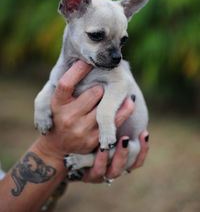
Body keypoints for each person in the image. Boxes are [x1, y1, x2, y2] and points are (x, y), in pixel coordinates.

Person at [0, 61, 149, 212]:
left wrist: (59, 174)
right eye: (95, 36)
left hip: (124, 138)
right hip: (98, 145)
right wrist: (51, 151)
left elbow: (121, 82)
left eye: (122, 41)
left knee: (130, 147)